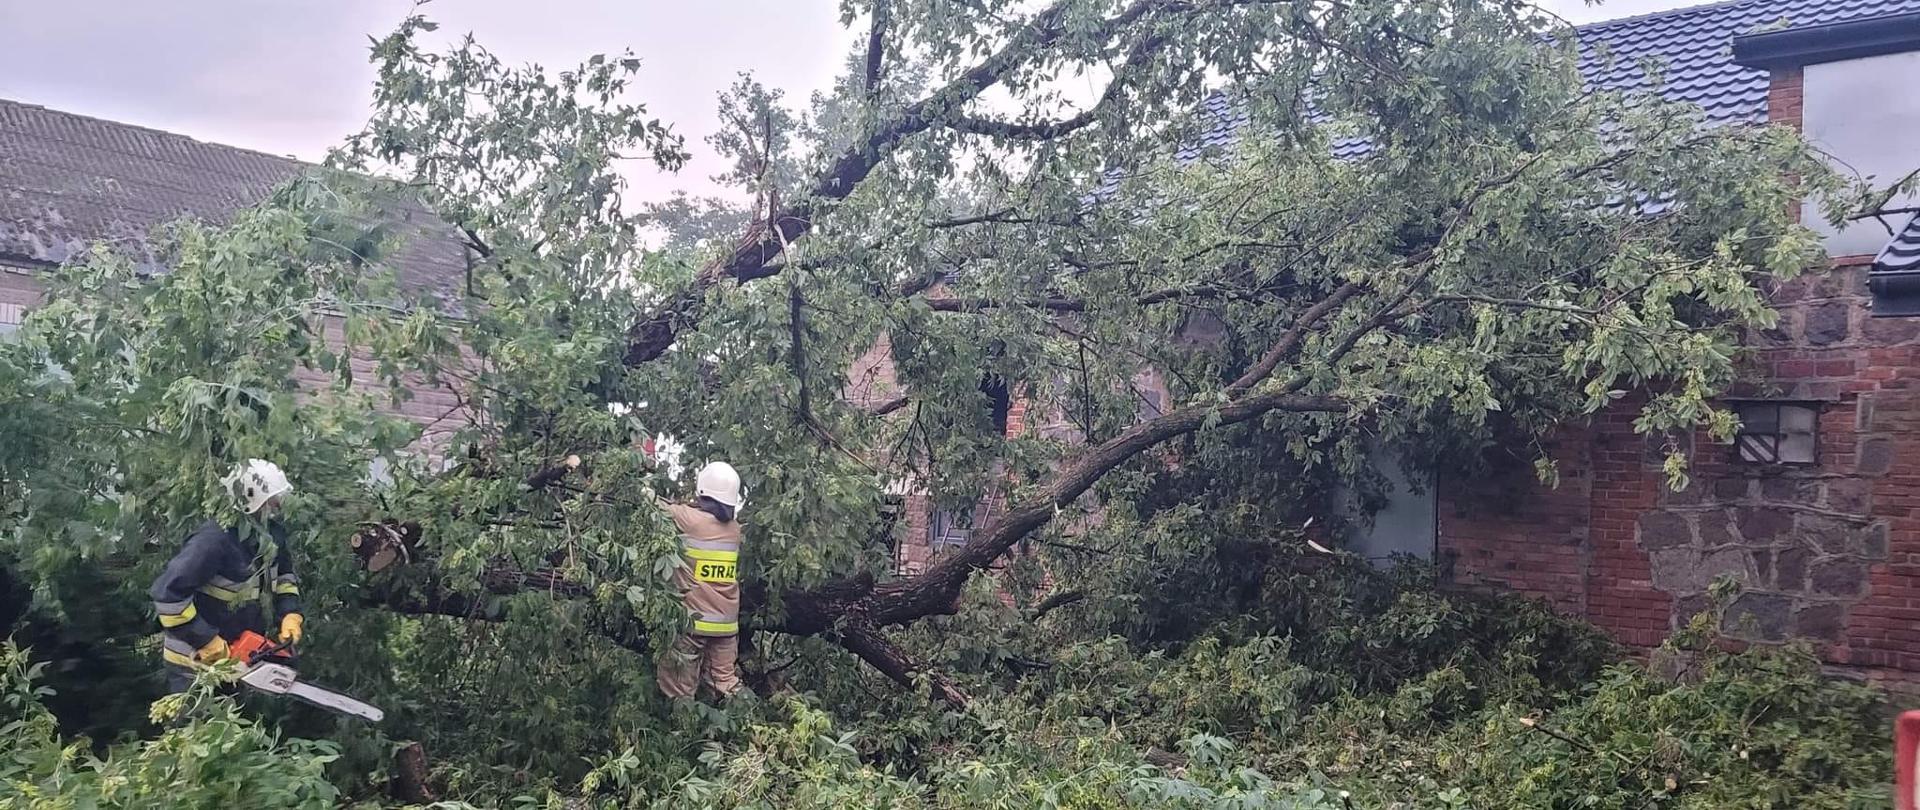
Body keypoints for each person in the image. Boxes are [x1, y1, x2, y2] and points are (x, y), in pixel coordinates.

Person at [150, 459, 304, 693]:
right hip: (194, 662)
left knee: (234, 714)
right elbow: (168, 596)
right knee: (198, 717)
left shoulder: (271, 535)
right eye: (272, 500)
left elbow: (284, 577)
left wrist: (290, 613)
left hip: (237, 656)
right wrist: (206, 640)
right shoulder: (213, 541)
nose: (277, 505)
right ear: (252, 500)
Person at [653, 461, 746, 701]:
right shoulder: (734, 530)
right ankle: (746, 717)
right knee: (724, 683)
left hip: (691, 622)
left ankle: (682, 723)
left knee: (678, 690)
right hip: (725, 625)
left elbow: (653, 504)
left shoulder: (690, 520)